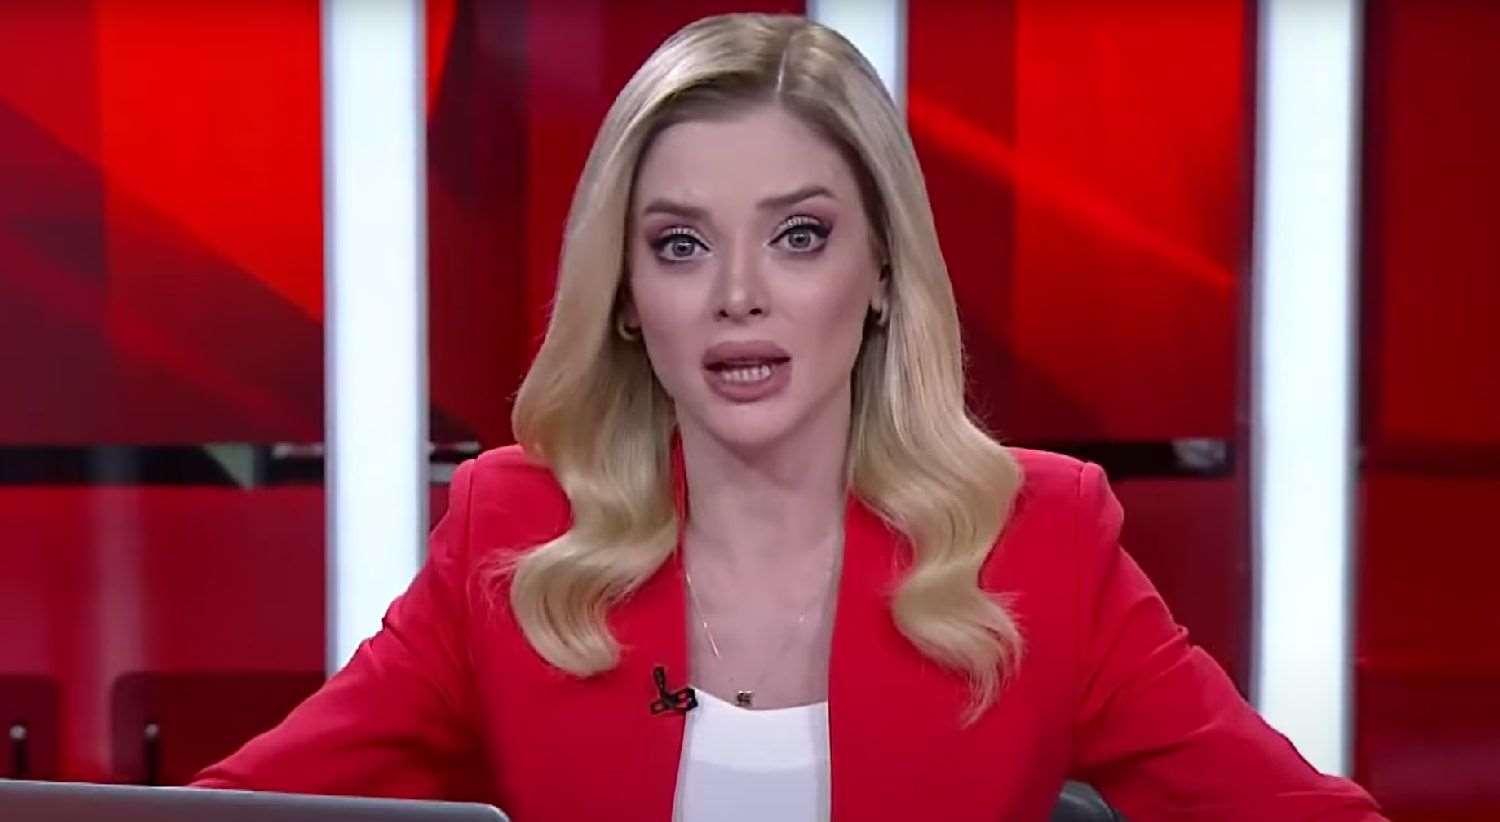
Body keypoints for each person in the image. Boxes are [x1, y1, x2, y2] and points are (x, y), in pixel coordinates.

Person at [195, 13, 1386, 821]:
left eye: (799, 235)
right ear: (627, 296)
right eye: (680, 244)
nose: (739, 294)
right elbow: (229, 811)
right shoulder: (516, 537)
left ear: (881, 275)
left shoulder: (1039, 539)